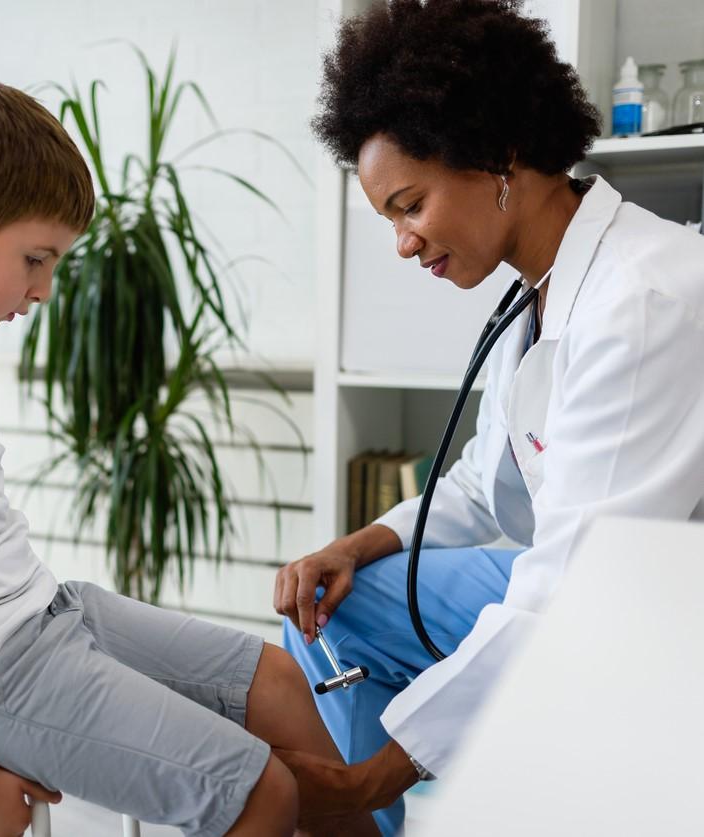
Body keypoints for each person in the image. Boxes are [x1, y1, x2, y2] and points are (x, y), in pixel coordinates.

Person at [0, 80, 378, 837]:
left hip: (47, 612)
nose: (45, 289)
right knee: (262, 794)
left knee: (285, 685)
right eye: (36, 258)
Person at [271, 1, 704, 834]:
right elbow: (483, 478)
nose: (403, 242)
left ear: (497, 155)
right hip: (591, 587)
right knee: (337, 605)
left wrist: (371, 777)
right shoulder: (536, 288)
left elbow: (578, 593)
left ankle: (373, 804)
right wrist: (351, 546)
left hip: (662, 620)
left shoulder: (642, 301)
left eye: (409, 204)